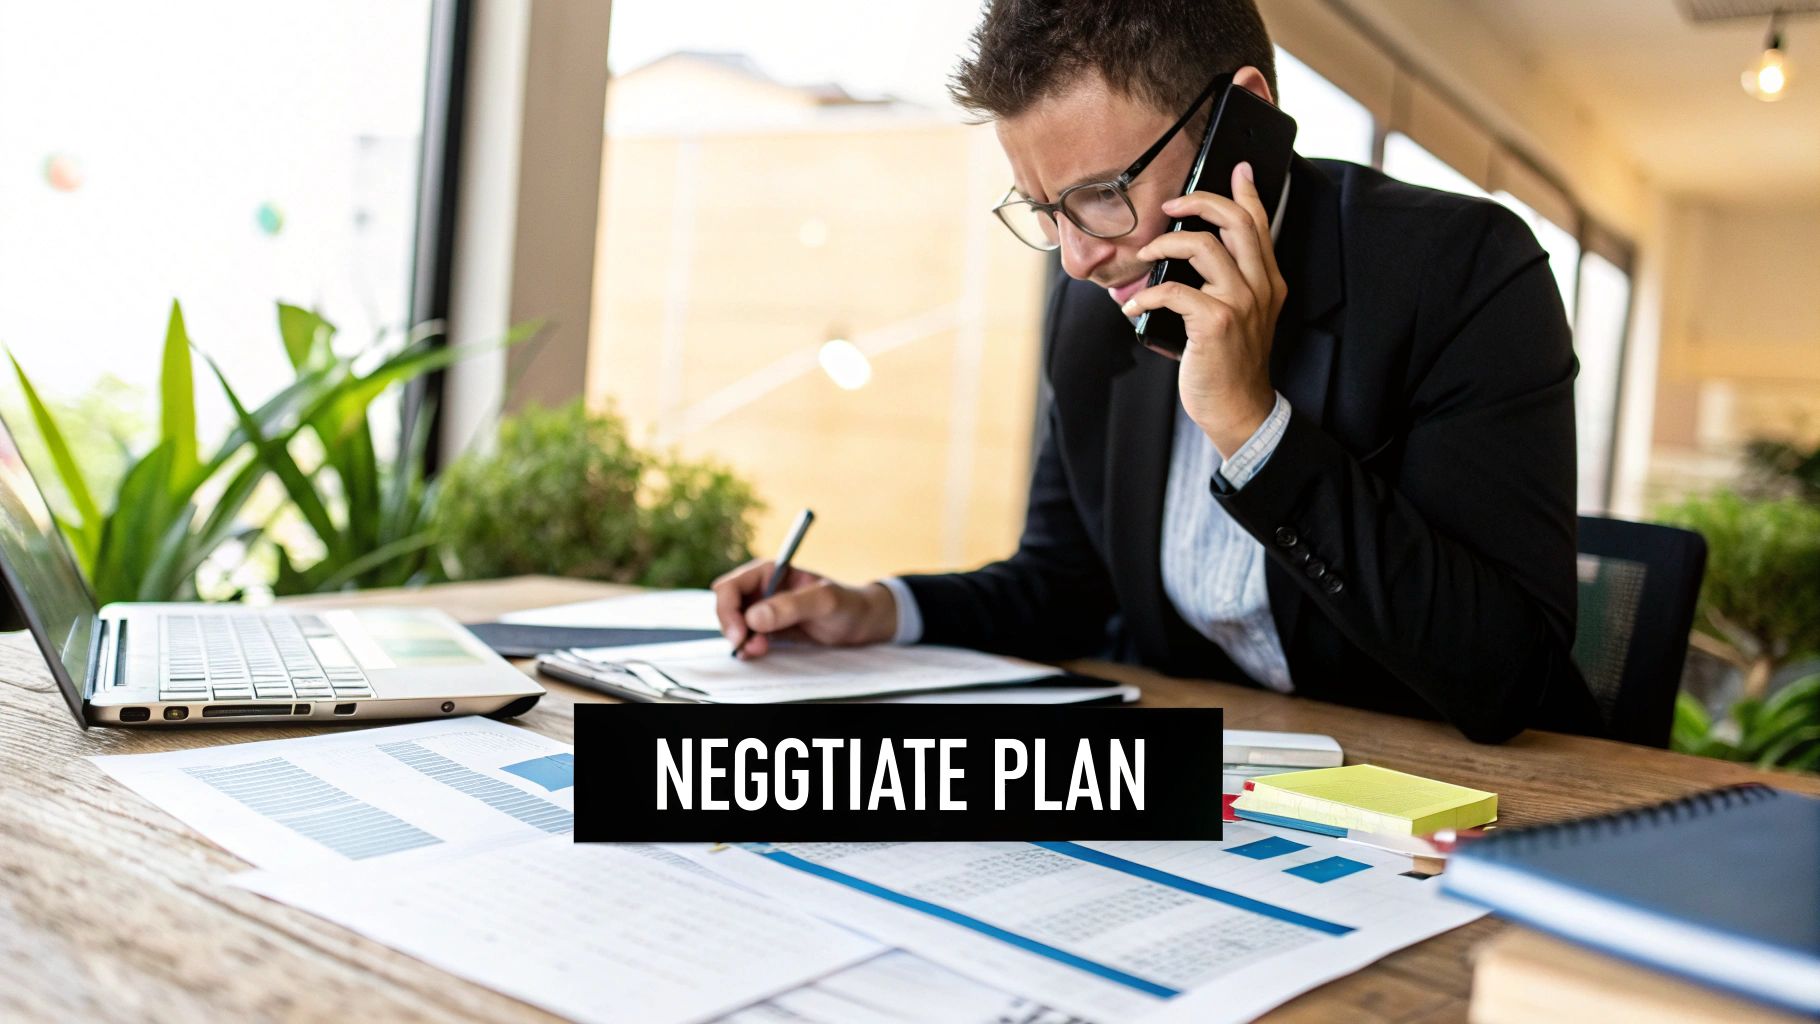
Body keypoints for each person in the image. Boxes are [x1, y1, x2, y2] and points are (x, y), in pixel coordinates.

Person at [711, 0, 1602, 743]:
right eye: (1044, 208)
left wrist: (1253, 429)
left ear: (1240, 121)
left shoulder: (1464, 272)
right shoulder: (1093, 311)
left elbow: (1505, 677)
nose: (1075, 258)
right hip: (1225, 784)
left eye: (1102, 193)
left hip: (1462, 803)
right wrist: (875, 610)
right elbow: (1063, 587)